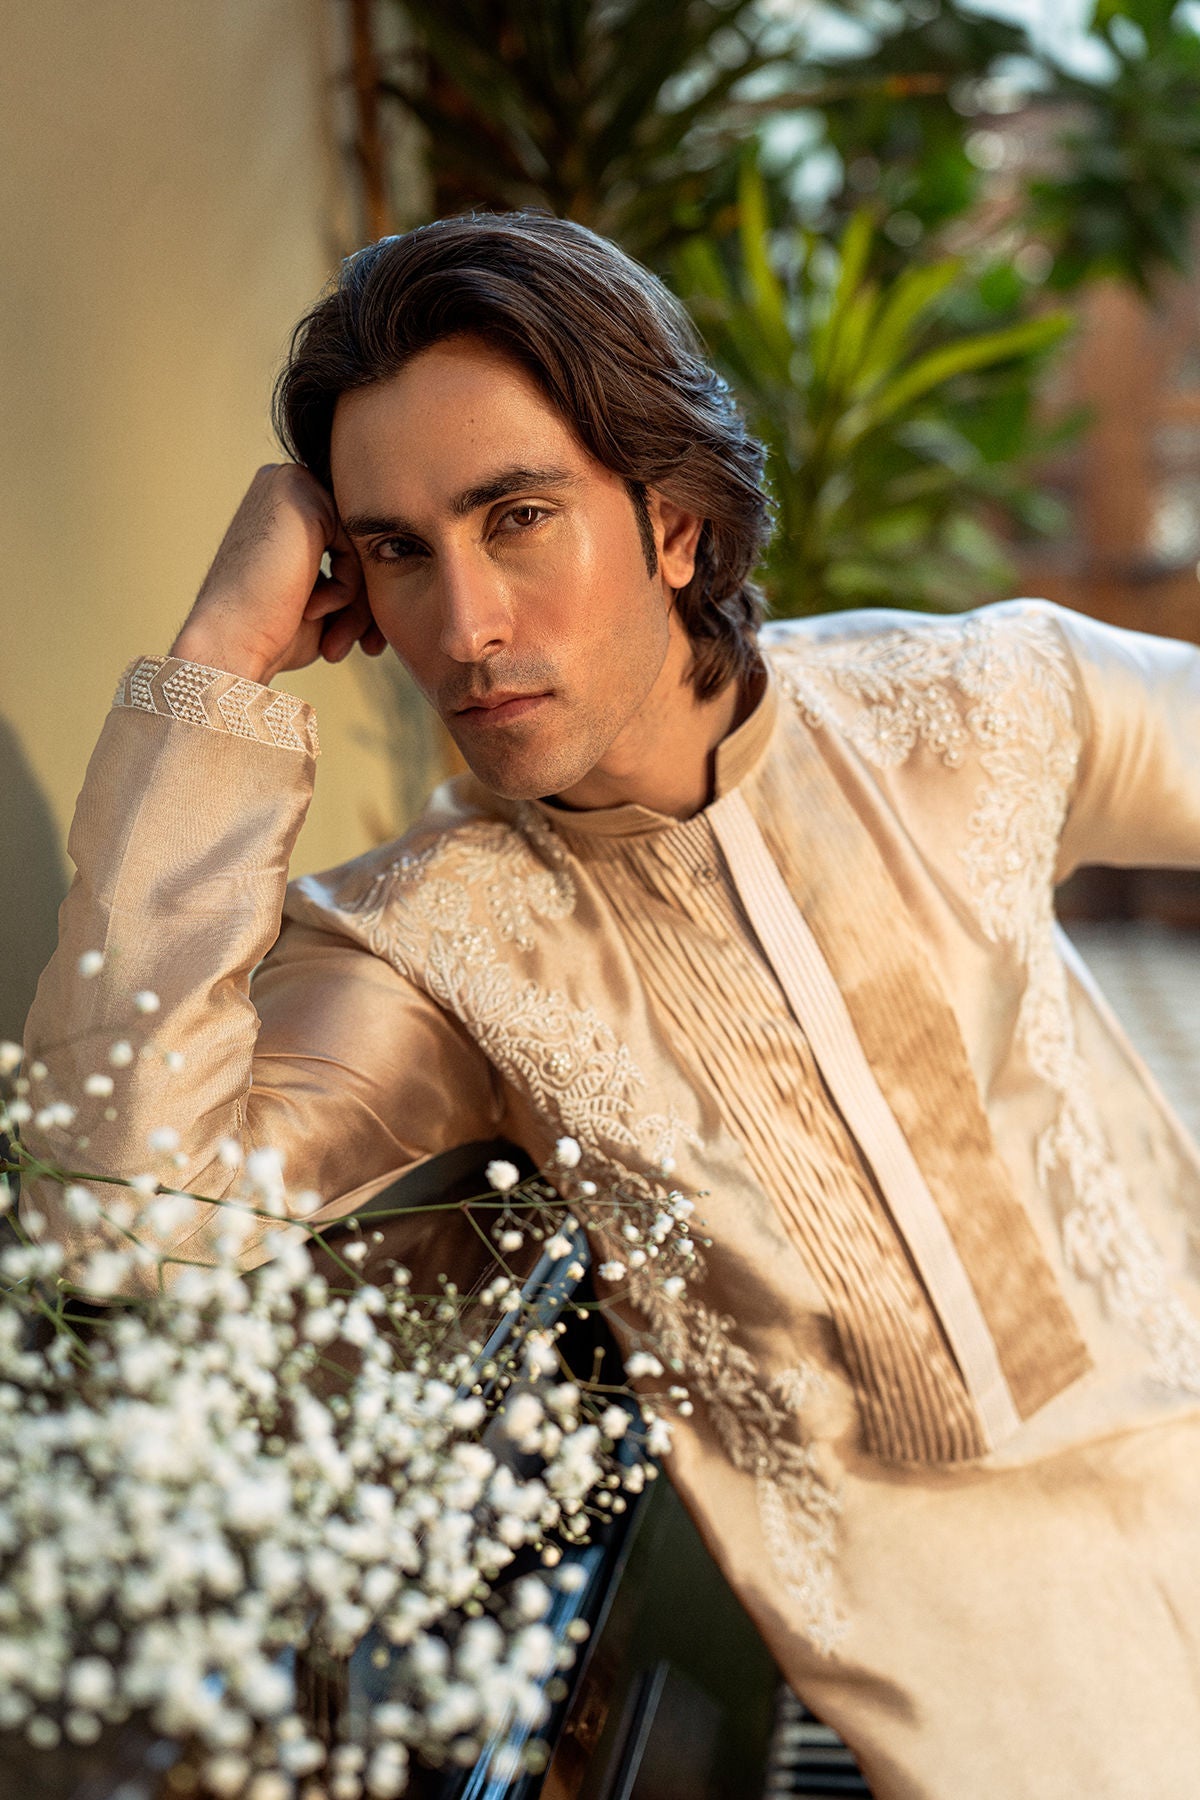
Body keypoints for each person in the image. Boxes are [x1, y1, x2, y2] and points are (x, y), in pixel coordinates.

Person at [21, 212, 1200, 1799]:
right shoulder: (427, 942)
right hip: (969, 1699)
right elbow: (120, 1220)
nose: (465, 628)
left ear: (677, 524)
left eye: (516, 517)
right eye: (395, 551)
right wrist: (220, 660)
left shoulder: (976, 705)